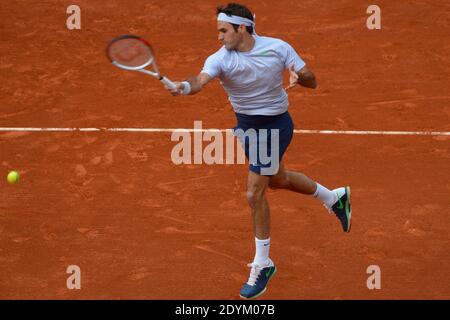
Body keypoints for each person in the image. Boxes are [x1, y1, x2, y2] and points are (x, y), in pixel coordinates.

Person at [166, 3, 352, 300]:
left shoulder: (278, 48)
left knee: (254, 193)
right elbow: (199, 81)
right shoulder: (220, 59)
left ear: (242, 28)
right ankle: (334, 198)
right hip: (248, 130)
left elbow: (312, 80)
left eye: (223, 30)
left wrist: (299, 77)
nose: (219, 37)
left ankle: (263, 264)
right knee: (278, 180)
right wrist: (184, 87)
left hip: (276, 126)